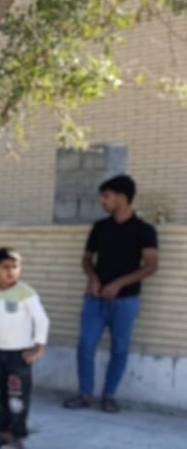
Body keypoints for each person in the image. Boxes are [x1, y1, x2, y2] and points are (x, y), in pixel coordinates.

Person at [65, 174, 158, 413]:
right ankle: (85, 394)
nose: (102, 201)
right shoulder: (100, 227)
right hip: (94, 299)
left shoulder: (144, 230)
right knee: (85, 346)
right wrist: (93, 278)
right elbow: (87, 259)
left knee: (119, 349)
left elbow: (151, 266)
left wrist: (118, 284)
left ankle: (109, 396)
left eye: (106, 196)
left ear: (122, 198)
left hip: (126, 301)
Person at [0, 248, 49, 449]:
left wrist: (38, 347)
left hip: (20, 355)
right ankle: (3, 433)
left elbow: (42, 320)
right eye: (5, 267)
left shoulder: (25, 292)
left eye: (15, 267)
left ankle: (18, 437)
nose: (11, 271)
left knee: (17, 397)